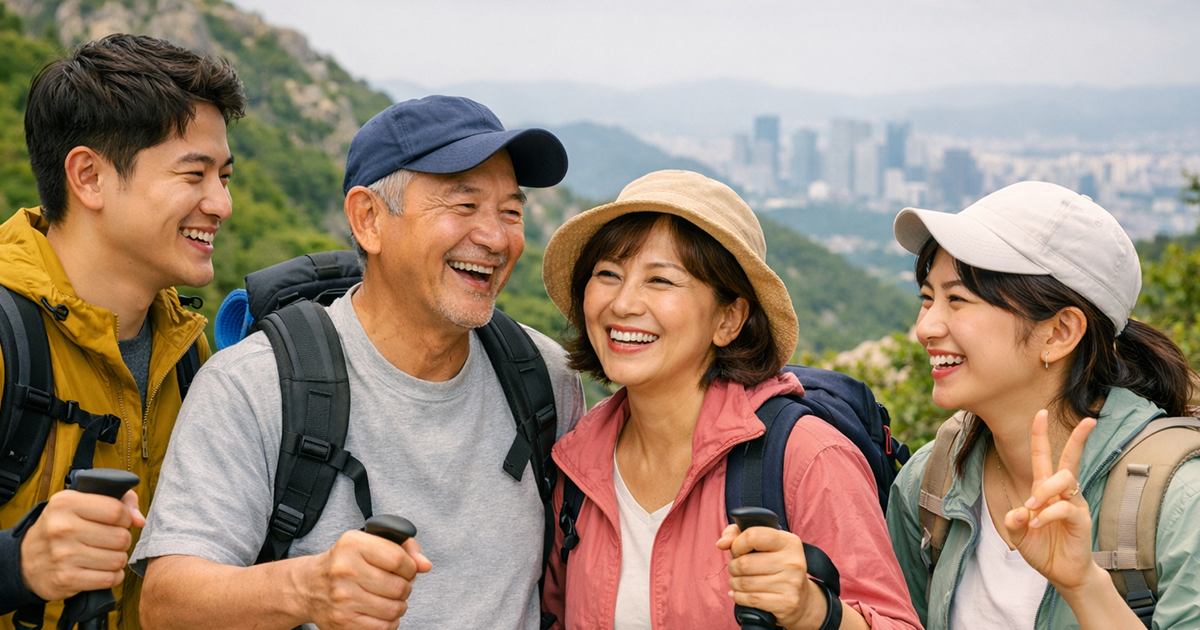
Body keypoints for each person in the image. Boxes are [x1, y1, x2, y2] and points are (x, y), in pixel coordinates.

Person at [133, 95, 585, 630]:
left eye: (510, 212)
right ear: (368, 219)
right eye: (463, 206)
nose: (495, 237)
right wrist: (307, 589)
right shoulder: (255, 383)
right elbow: (164, 603)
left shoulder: (545, 377)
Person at [538, 170, 921, 630]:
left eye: (660, 280)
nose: (623, 304)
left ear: (729, 319)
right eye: (608, 274)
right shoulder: (581, 460)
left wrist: (816, 612)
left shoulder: (806, 457)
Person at [0, 34, 245, 629]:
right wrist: (18, 564)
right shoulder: (10, 339)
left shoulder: (188, 351)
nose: (221, 203)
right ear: (88, 177)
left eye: (225, 175)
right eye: (194, 174)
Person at [886, 181, 1200, 629]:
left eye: (957, 299)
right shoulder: (931, 483)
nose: (927, 327)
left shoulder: (1180, 503)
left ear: (1059, 333)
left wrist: (1083, 587)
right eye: (927, 298)